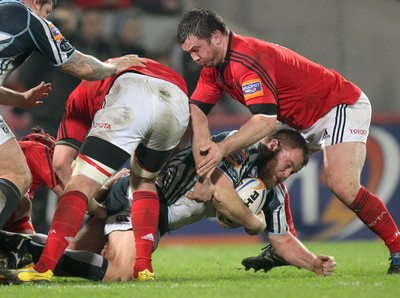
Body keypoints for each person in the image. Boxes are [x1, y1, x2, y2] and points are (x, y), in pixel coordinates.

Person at [176, 8, 400, 275]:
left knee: (342, 185)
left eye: (196, 49)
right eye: (189, 52)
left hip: (335, 107)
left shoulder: (246, 60)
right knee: (266, 165)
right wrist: (205, 174)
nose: (194, 57)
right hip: (296, 120)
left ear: (216, 36)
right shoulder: (214, 68)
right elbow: (197, 112)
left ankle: (397, 247)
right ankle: (283, 245)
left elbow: (266, 122)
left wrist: (221, 149)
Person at [0, 129, 336, 282]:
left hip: (149, 211)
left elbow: (283, 240)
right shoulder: (234, 147)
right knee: (121, 272)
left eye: (294, 171)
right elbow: (220, 192)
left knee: (81, 257)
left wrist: (312, 263)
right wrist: (254, 222)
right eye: (288, 164)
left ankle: (13, 245)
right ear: (273, 145)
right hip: (144, 195)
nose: (287, 174)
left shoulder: (272, 190)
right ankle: (20, 244)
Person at [4, 57, 190, 283]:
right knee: (143, 181)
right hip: (178, 98)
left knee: (79, 184)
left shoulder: (79, 96)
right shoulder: (134, 64)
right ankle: (144, 268)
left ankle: (43, 269)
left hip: (131, 90)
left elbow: (61, 163)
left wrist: (96, 208)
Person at [0, 0, 146, 228]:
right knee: (17, 174)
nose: (48, 18)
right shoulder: (31, 20)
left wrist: (20, 99)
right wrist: (114, 67)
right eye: (48, 12)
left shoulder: (5, 9)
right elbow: (81, 66)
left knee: (18, 199)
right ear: (38, 3)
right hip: (51, 119)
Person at [2, 126, 63, 235]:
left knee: (30, 244)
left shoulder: (27, 176)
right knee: (24, 203)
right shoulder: (38, 148)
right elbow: (67, 194)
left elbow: (22, 224)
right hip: (7, 194)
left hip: (8, 204)